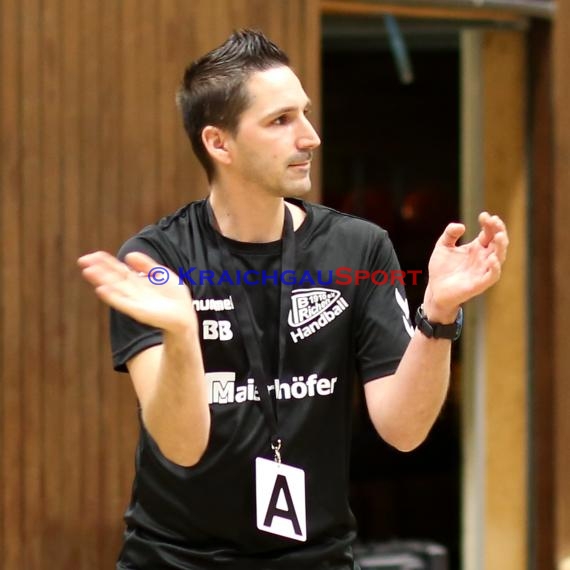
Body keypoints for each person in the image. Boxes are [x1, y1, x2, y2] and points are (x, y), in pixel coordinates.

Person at [78, 29, 508, 570]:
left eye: (303, 114)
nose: (310, 137)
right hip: (175, 559)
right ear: (219, 143)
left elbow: (404, 430)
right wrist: (183, 334)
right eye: (280, 121)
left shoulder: (359, 247)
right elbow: (182, 445)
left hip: (315, 557)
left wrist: (439, 315)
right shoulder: (158, 258)